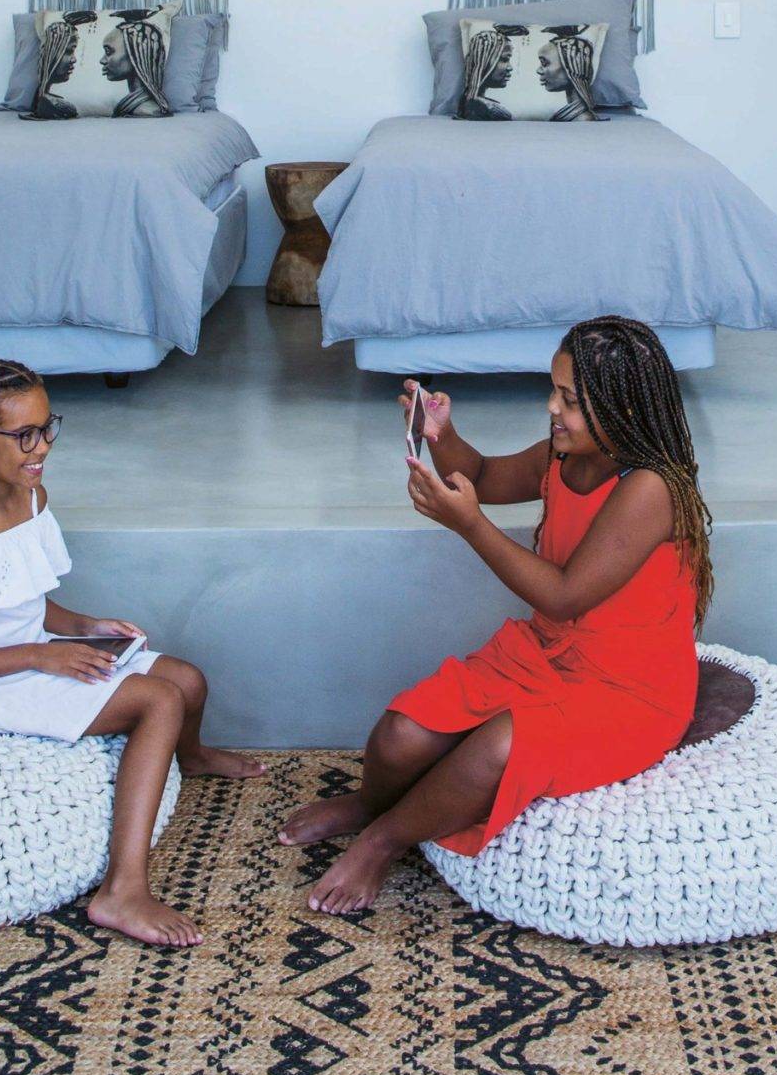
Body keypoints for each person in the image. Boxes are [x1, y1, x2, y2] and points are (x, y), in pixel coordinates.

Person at [281, 314, 711, 915]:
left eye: (570, 399)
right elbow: (482, 474)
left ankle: (383, 840)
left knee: (496, 749)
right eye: (553, 390)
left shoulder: (649, 489)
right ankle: (370, 803)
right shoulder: (562, 455)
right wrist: (441, 433)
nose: (552, 408)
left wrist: (469, 525)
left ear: (624, 411)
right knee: (401, 733)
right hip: (550, 652)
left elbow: (563, 595)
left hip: (628, 689)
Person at [0, 357, 263, 948]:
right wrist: (42, 657)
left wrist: (82, 626)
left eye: (47, 428)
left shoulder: (29, 495)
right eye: (23, 436)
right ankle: (122, 890)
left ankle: (185, 758)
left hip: (28, 653)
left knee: (187, 680)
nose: (41, 448)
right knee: (159, 702)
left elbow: (27, 603)